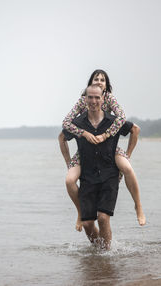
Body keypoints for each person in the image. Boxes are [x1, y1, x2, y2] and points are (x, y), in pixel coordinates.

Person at [58, 69, 146, 231]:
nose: (99, 81)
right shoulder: (83, 99)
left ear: (106, 87)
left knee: (126, 167)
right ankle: (80, 213)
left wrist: (109, 138)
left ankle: (138, 206)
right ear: (90, 84)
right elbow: (66, 123)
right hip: (86, 147)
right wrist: (83, 133)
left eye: (102, 80)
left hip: (108, 145)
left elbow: (121, 118)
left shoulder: (110, 98)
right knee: (70, 180)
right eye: (96, 79)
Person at [63, 85, 133, 249]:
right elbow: (62, 136)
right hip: (87, 176)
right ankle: (99, 251)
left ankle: (107, 253)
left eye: (97, 97)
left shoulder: (113, 121)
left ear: (103, 99)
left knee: (103, 218)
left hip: (109, 175)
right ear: (85, 99)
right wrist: (69, 162)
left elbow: (134, 129)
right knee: (87, 224)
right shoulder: (77, 123)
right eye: (90, 97)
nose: (93, 101)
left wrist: (127, 155)